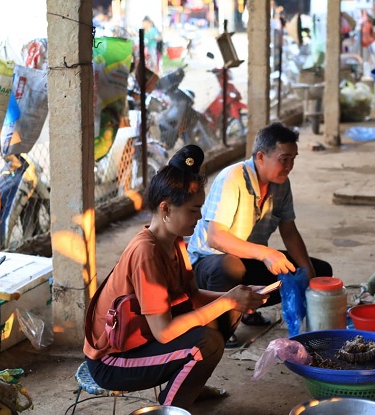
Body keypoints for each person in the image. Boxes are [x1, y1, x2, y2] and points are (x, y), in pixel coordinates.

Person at [84, 145, 269, 409]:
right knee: (205, 342)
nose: (200, 216)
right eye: (194, 210)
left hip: (141, 341)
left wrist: (236, 297)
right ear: (166, 209)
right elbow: (165, 332)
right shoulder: (146, 252)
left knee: (226, 316)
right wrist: (227, 301)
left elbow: (192, 296)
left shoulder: (174, 242)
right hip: (113, 360)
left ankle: (188, 385)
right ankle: (169, 408)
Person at [187, 122, 333, 344]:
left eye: (293, 159)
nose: (289, 166)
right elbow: (216, 237)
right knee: (230, 267)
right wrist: (265, 253)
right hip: (207, 265)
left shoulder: (281, 184)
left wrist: (308, 270)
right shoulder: (232, 178)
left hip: (247, 259)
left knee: (320, 271)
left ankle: (247, 310)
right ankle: (219, 327)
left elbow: (289, 231)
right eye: (284, 159)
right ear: (261, 157)